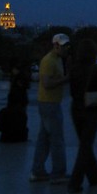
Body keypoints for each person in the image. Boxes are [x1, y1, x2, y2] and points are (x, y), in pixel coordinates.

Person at [67, 38, 97, 193]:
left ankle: (94, 175)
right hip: (91, 109)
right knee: (85, 146)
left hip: (75, 107)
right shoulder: (95, 68)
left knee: (85, 144)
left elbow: (71, 89)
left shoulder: (74, 68)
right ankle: (75, 182)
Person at [30, 33, 71, 184]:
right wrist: (66, 79)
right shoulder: (49, 61)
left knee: (44, 140)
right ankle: (58, 173)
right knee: (56, 139)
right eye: (63, 45)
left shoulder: (57, 60)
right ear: (56, 45)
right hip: (50, 104)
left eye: (67, 45)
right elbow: (47, 83)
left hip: (48, 102)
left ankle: (38, 170)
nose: (66, 48)